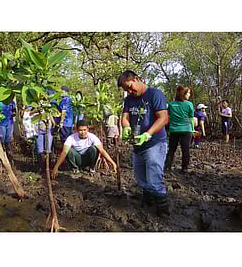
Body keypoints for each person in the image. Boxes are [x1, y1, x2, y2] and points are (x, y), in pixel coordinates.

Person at [118, 70, 170, 217]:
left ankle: (163, 208)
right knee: (140, 177)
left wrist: (148, 134)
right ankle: (148, 199)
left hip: (155, 143)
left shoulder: (155, 94)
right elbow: (125, 117)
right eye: (126, 89)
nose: (129, 91)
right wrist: (126, 126)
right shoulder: (129, 99)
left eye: (130, 87)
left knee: (154, 178)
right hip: (137, 145)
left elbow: (163, 118)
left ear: (136, 79)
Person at [51, 120, 117, 179]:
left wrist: (113, 163)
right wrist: (56, 167)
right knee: (69, 150)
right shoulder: (71, 138)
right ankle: (75, 169)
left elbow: (102, 151)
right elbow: (64, 152)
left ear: (88, 129)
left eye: (84, 130)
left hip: (87, 159)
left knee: (94, 149)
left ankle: (92, 168)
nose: (82, 132)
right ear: (76, 130)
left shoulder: (92, 137)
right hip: (77, 159)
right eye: (80, 130)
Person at [165, 85, 195, 174]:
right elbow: (191, 119)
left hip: (174, 130)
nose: (189, 95)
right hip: (186, 130)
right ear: (184, 94)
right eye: (188, 93)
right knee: (185, 150)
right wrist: (192, 129)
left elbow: (168, 116)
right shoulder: (189, 104)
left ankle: (167, 167)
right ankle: (184, 168)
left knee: (171, 149)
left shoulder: (171, 104)